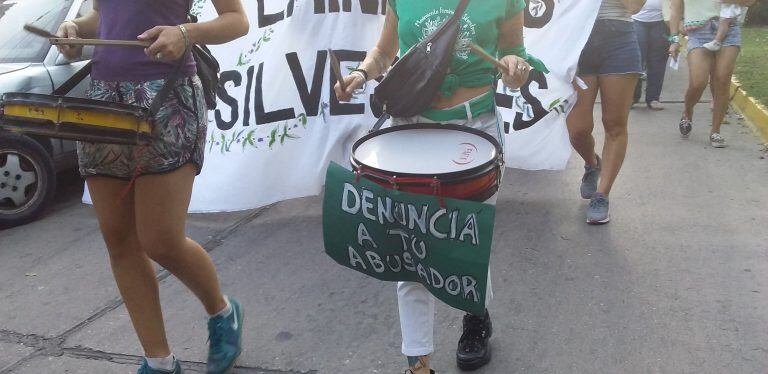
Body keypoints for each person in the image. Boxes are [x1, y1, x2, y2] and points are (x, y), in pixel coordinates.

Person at [334, 1, 538, 372]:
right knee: (411, 242)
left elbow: (514, 54)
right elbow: (383, 52)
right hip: (411, 128)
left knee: (467, 238)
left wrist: (515, 69)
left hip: (474, 131)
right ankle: (418, 362)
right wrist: (362, 75)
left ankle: (476, 317)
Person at [55, 1, 248, 373]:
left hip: (168, 97)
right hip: (104, 101)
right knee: (118, 238)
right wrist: (75, 27)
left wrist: (187, 33)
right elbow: (104, 16)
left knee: (160, 240)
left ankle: (223, 311)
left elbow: (237, 21)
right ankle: (158, 362)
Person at [567, 0, 646, 225]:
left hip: (619, 39)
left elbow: (635, 6)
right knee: (577, 129)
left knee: (615, 124)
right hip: (576, 39)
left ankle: (602, 195)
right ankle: (592, 164)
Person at [669, 0, 756, 148]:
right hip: (698, 31)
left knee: (722, 80)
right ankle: (687, 112)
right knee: (698, 83)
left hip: (729, 27)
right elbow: (674, 8)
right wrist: (674, 40)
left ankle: (715, 131)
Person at [633, 0, 671, 110]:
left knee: (658, 61)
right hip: (636, 20)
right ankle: (632, 97)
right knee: (636, 59)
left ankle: (653, 98)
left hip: (662, 21)